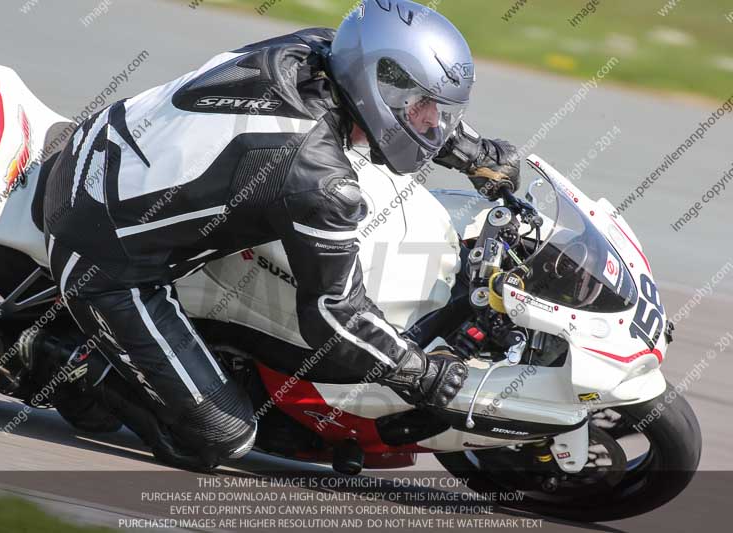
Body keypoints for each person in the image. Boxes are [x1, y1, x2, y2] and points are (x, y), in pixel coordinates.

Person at [42, 0, 520, 470]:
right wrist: (421, 373)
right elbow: (335, 319)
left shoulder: (320, 48)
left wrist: (471, 150)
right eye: (424, 108)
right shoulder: (316, 179)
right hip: (102, 253)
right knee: (223, 437)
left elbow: (389, 97)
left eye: (442, 111)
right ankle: (61, 366)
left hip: (104, 138)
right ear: (379, 86)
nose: (434, 123)